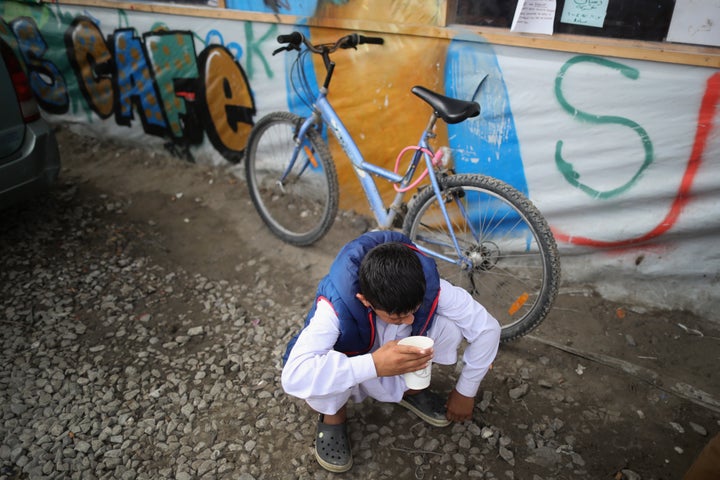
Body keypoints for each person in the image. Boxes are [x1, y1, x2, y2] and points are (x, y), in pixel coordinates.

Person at [281, 231, 501, 473]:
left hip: (386, 355)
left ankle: (410, 391)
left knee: (449, 327)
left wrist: (465, 391)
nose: (409, 320)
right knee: (319, 368)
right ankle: (334, 416)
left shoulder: (429, 284)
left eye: (414, 310)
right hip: (357, 358)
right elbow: (294, 374)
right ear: (365, 300)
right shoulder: (335, 306)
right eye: (397, 316)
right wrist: (374, 364)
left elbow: (487, 329)